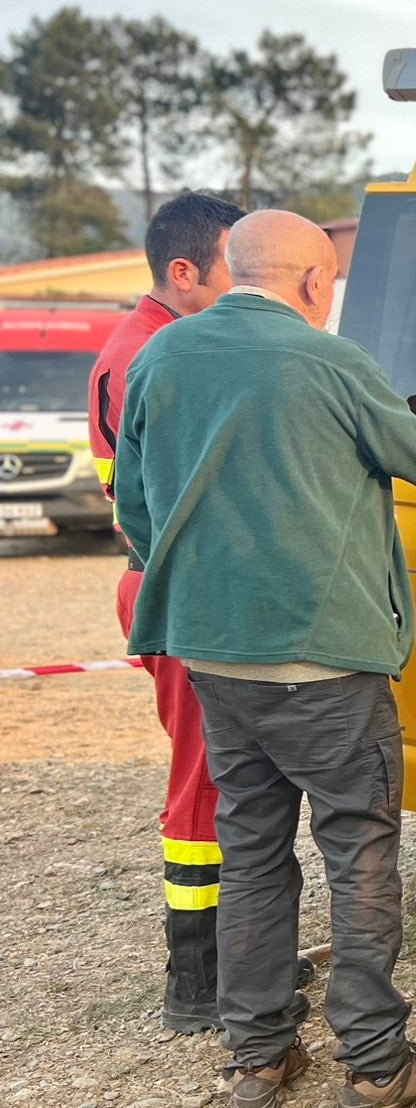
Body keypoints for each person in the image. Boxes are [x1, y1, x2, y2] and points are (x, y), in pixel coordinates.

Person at [114, 210, 416, 1108]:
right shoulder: (330, 359)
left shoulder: (160, 360)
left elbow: (135, 509)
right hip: (328, 663)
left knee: (249, 850)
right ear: (316, 284)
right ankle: (373, 1066)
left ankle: (257, 1055)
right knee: (358, 853)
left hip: (217, 659)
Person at [87, 191, 244, 1033]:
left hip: (176, 585)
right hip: (176, 589)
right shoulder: (149, 355)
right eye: (234, 272)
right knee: (201, 784)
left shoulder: (159, 342)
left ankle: (234, 955)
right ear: (183, 273)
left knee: (220, 772)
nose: (245, 291)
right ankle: (198, 979)